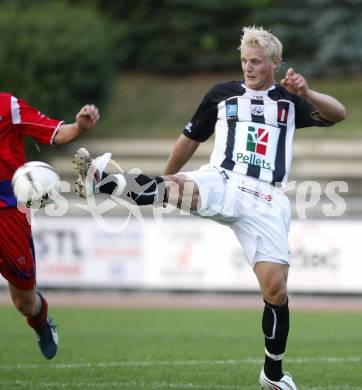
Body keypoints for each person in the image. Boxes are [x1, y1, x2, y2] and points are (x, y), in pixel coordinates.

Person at [73, 26, 346, 389]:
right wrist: (163, 182)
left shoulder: (290, 100)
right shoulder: (222, 95)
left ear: (275, 63)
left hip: (266, 200)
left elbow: (338, 113)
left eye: (256, 61)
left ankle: (273, 374)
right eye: (244, 61)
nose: (248, 68)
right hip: (223, 180)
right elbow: (189, 141)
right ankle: (102, 180)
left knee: (276, 290)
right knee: (176, 187)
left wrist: (306, 91)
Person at [0, 93, 99, 359]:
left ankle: (42, 324)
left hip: (8, 211)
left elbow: (54, 133)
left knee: (25, 302)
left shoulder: (7, 106)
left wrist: (79, 127)